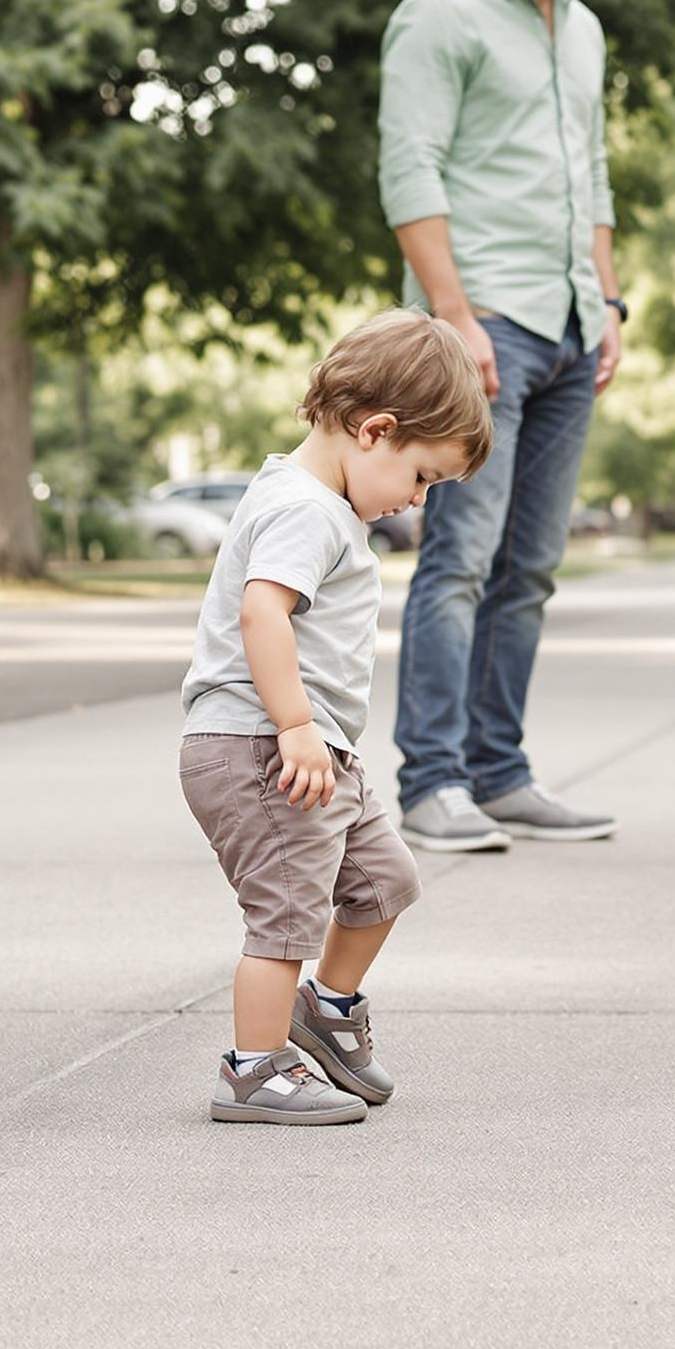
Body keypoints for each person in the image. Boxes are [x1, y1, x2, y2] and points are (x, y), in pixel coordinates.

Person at [376, 0, 630, 853]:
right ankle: (431, 781)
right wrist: (453, 317)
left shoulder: (584, 28)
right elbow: (411, 169)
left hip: (570, 322)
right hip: (484, 325)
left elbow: (594, 174)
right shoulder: (438, 13)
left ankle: (500, 772)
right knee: (461, 557)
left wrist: (607, 303)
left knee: (530, 565)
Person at [178, 310, 492, 1125]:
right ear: (374, 430)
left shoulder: (326, 505)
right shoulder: (306, 509)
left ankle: (325, 1009)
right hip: (262, 746)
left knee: (386, 882)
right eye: (420, 477)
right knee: (285, 915)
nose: (416, 500)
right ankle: (253, 1069)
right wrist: (294, 726)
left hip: (313, 751)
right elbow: (262, 616)